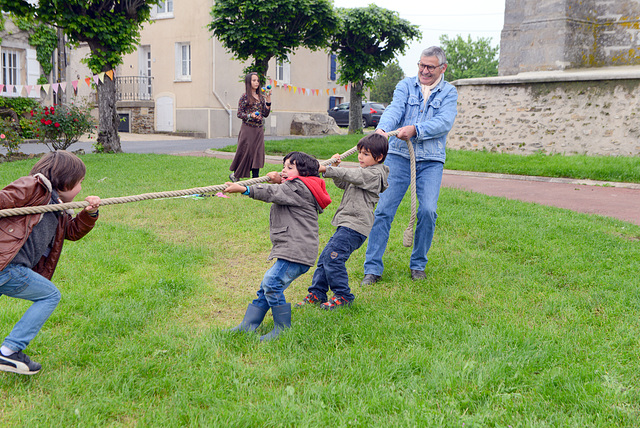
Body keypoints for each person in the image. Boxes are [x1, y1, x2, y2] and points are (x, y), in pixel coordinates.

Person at [361, 46, 458, 285]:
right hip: (398, 156)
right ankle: (372, 268)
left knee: (427, 211)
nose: (424, 71)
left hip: (431, 161)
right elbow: (395, 109)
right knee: (383, 210)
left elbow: (444, 121)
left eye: (430, 67)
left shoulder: (449, 92)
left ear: (442, 68)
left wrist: (416, 129)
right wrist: (383, 130)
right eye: (421, 65)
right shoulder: (405, 85)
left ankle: (418, 265)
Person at [0, 150, 100, 375]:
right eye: (80, 182)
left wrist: (89, 213)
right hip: (8, 266)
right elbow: (4, 198)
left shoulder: (58, 207)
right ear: (66, 180)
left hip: (9, 267)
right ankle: (9, 352)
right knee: (49, 295)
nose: (81, 188)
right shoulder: (34, 187)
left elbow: (71, 232)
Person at [224, 151, 331, 341]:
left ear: (303, 174)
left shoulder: (297, 188)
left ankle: (282, 329)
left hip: (296, 251)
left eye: (290, 167)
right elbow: (284, 189)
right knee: (267, 286)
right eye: (284, 166)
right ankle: (249, 325)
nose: (284, 170)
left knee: (272, 283)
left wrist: (245, 189)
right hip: (295, 249)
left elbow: (275, 193)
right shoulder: (303, 186)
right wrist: (279, 179)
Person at [296, 134, 389, 310]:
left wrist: (325, 169)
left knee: (334, 258)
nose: (360, 157)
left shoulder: (375, 174)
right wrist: (335, 168)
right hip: (346, 224)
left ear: (379, 157)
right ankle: (317, 293)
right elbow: (345, 181)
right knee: (326, 257)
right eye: (360, 152)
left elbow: (352, 175)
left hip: (356, 227)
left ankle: (343, 296)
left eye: (366, 154)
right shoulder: (362, 174)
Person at [229, 72, 272, 182]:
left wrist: (268, 101)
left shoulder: (261, 97)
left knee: (257, 152)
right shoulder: (244, 97)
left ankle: (255, 178)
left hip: (258, 130)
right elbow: (239, 114)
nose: (256, 82)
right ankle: (235, 175)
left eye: (258, 80)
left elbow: (265, 114)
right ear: (248, 82)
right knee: (245, 152)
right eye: (254, 80)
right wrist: (250, 115)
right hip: (248, 129)